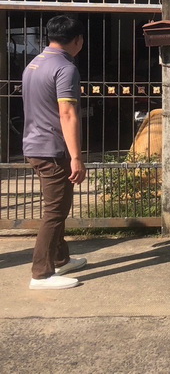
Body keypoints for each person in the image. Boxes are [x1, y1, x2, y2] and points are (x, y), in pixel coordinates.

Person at [23, 15, 88, 290]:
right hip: (52, 149)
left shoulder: (34, 64)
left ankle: (61, 259)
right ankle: (41, 274)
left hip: (34, 144)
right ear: (78, 40)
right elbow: (67, 113)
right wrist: (76, 157)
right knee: (55, 211)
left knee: (57, 205)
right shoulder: (65, 68)